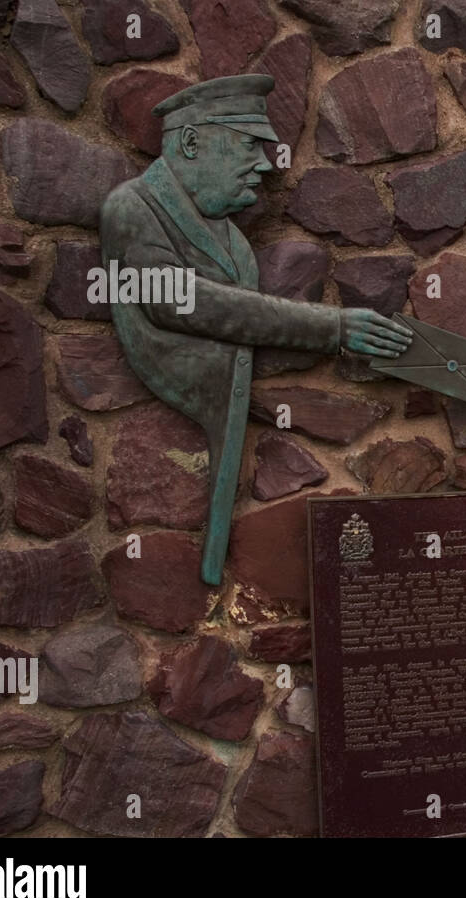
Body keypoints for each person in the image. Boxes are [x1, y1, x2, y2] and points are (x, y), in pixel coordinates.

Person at [100, 74, 412, 585]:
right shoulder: (131, 209)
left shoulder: (226, 234)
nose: (266, 164)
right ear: (192, 142)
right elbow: (181, 301)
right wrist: (330, 327)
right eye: (248, 144)